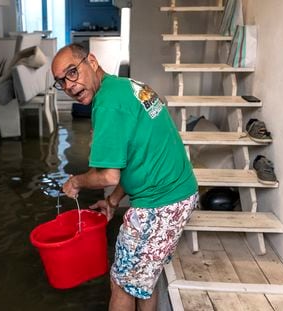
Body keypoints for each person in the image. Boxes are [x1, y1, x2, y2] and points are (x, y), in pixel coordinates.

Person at [52, 43, 198, 311]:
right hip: (176, 194)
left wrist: (75, 182)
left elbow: (108, 175)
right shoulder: (123, 86)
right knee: (142, 281)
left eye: (72, 72)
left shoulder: (108, 105)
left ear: (92, 62)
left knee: (121, 283)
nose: (69, 85)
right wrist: (114, 201)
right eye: (61, 81)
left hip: (161, 203)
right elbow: (134, 157)